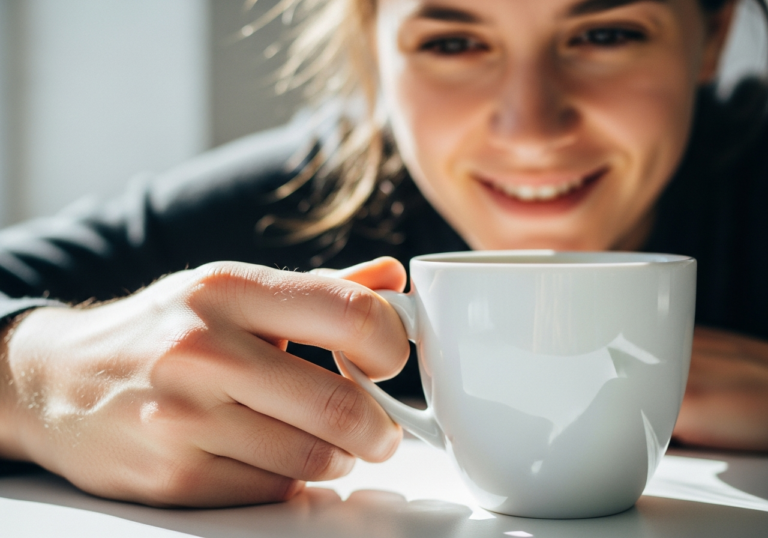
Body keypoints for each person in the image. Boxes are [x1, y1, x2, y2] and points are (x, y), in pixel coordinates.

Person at [0, 0, 767, 508]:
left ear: (715, 36)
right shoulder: (302, 193)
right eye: (454, 42)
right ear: (373, 44)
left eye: (605, 34)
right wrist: (36, 381)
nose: (530, 127)